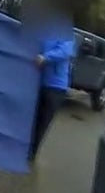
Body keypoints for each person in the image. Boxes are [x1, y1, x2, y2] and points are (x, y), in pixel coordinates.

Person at [28, 22, 76, 162]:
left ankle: (32, 153)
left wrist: (45, 57)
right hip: (41, 83)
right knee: (34, 118)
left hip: (56, 87)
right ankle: (27, 148)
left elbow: (65, 51)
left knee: (43, 120)